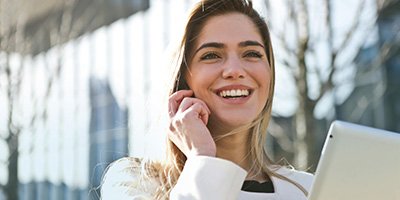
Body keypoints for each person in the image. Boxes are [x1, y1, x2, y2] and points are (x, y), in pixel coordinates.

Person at [101, 0, 314, 199]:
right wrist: (202, 159)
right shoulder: (134, 183)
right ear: (183, 79)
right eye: (211, 55)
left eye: (252, 53)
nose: (235, 70)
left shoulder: (308, 189)